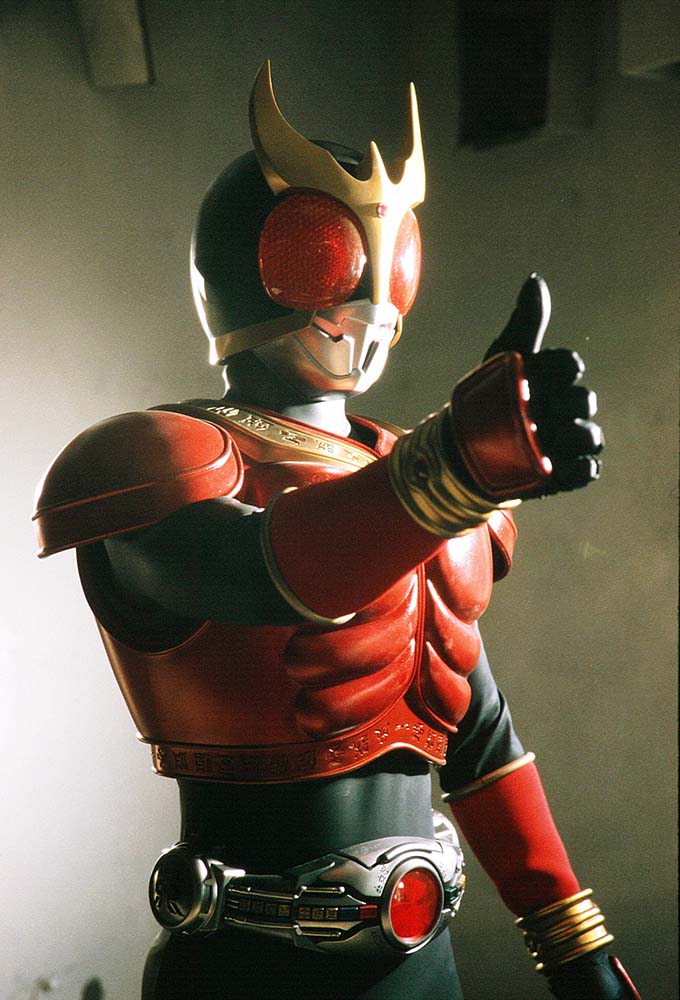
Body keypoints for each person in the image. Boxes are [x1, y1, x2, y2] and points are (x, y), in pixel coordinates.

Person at [33, 62, 640, 1000]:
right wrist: (453, 469)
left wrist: (574, 942)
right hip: (248, 965)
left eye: (391, 255)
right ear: (246, 265)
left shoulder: (400, 465)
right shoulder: (152, 461)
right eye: (322, 251)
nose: (371, 295)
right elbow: (263, 572)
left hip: (424, 958)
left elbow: (475, 729)